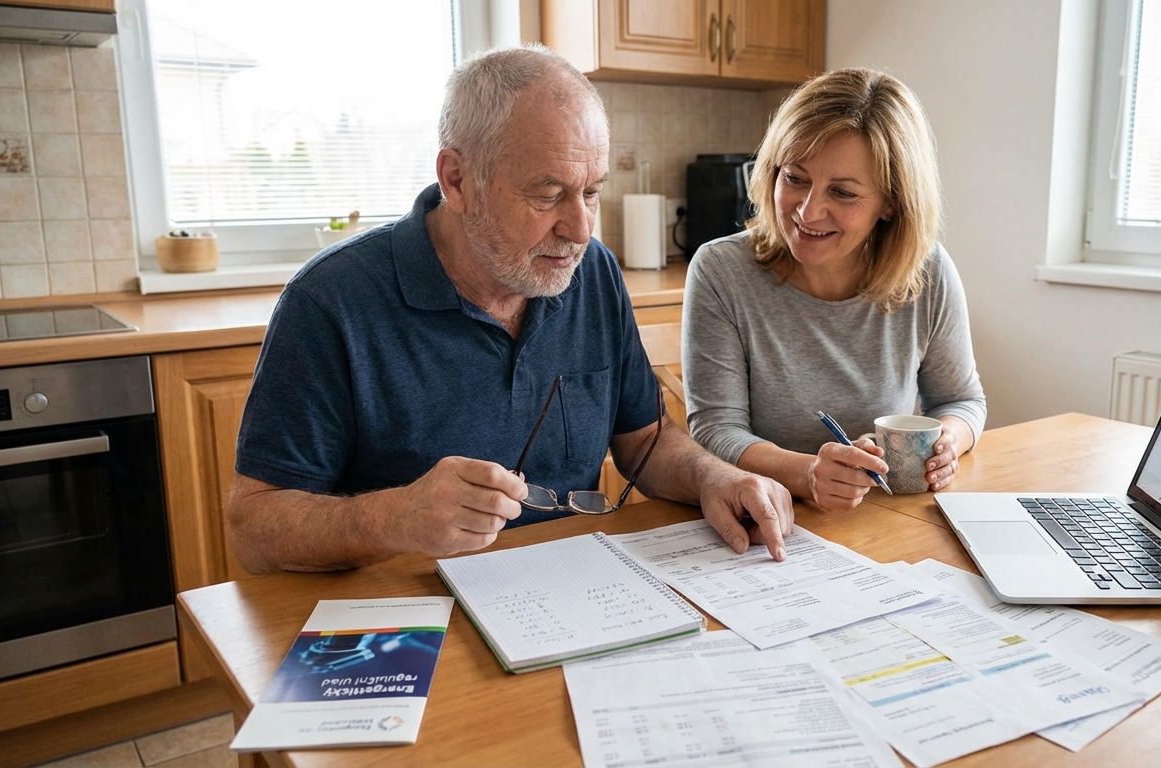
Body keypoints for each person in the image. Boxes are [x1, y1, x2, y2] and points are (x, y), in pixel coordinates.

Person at [226, 45, 794, 574]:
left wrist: (714, 477)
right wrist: (395, 517)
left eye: (592, 191)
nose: (579, 229)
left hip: (571, 587)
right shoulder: (330, 303)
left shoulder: (590, 271)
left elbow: (643, 441)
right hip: (408, 610)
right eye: (548, 195)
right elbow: (254, 527)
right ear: (456, 179)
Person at [682, 68, 987, 511]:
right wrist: (808, 473)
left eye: (842, 192)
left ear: (891, 203)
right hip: (768, 518)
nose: (808, 211)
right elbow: (716, 428)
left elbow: (960, 399)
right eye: (795, 178)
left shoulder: (929, 271)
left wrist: (948, 443)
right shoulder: (721, 270)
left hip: (885, 517)